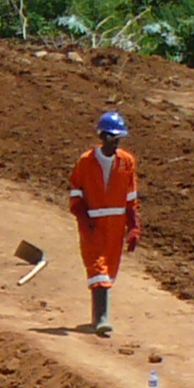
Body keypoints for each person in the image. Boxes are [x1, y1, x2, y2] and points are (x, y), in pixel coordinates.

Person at [67, 110, 143, 335]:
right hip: (92, 223)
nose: (114, 142)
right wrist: (83, 218)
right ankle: (101, 318)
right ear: (101, 137)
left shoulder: (127, 162)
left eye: (117, 138)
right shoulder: (86, 162)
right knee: (97, 269)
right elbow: (76, 194)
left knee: (109, 269)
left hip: (116, 225)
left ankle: (99, 316)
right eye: (110, 137)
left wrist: (134, 226)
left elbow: (131, 197)